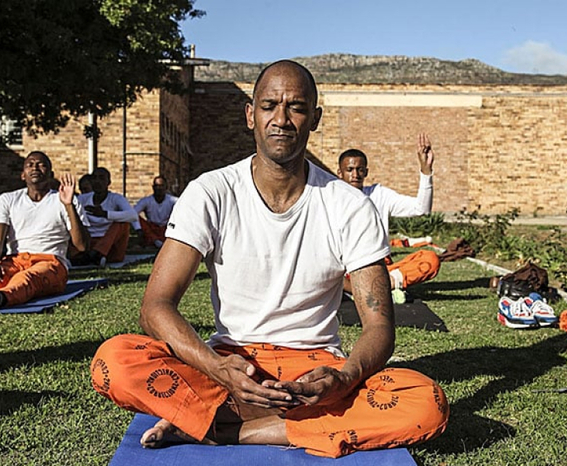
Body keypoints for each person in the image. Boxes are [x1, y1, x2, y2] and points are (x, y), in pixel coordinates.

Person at [90, 60, 448, 458]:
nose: (281, 119)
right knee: (114, 361)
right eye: (268, 106)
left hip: (313, 377)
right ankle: (291, 424)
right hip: (230, 367)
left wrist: (343, 379)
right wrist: (217, 368)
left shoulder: (349, 205)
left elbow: (379, 325)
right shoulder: (211, 192)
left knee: (425, 401)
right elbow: (155, 306)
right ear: (250, 115)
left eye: (296, 107)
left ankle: (227, 427)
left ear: (315, 119)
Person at [0, 151, 90, 313]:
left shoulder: (65, 199)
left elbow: (82, 246)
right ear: (22, 175)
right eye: (30, 165)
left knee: (25, 279)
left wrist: (68, 205)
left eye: (41, 165)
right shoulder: (8, 199)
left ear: (51, 174)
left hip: (51, 262)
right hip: (15, 260)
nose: (35, 168)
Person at [337, 137, 440, 294]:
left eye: (360, 170)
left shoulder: (379, 195)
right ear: (340, 173)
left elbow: (421, 209)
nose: (355, 174)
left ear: (366, 172)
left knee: (430, 260)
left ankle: (379, 286)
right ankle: (368, 288)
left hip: (381, 267)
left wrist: (426, 171)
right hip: (348, 270)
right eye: (350, 170)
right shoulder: (331, 199)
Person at [72, 167, 138, 265]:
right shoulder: (82, 199)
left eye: (102, 178)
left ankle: (97, 254)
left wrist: (104, 214)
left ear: (109, 182)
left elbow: (133, 216)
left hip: (111, 245)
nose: (97, 181)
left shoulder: (116, 198)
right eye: (94, 178)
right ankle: (83, 255)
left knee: (122, 224)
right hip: (89, 242)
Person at [133, 175, 178, 248]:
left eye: (161, 186)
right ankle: (155, 241)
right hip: (151, 228)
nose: (159, 188)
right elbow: (133, 213)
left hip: (166, 228)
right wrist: (138, 229)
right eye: (157, 186)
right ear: (153, 187)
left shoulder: (172, 200)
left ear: (166, 187)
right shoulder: (146, 201)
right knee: (136, 217)